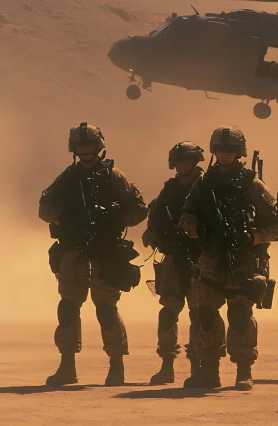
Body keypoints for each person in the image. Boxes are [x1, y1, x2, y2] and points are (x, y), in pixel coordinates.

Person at [39, 122, 147, 386]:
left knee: (106, 310)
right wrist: (60, 216)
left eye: (89, 145)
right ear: (74, 148)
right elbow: (44, 207)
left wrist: (116, 218)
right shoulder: (67, 178)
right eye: (80, 146)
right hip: (73, 252)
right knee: (67, 308)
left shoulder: (114, 176)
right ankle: (67, 367)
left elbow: (139, 208)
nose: (85, 150)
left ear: (98, 146)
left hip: (105, 252)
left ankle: (116, 366)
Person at [179, 126, 278, 390]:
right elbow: (185, 215)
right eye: (221, 150)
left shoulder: (252, 184)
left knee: (239, 314)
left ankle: (243, 370)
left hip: (243, 259)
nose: (225, 154)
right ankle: (209, 370)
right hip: (211, 257)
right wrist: (198, 229)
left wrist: (253, 237)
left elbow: (277, 223)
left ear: (239, 152)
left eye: (230, 150)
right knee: (205, 314)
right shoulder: (203, 183)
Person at [142, 142, 205, 385]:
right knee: (168, 312)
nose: (183, 166)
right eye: (179, 162)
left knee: (199, 313)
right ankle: (167, 365)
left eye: (187, 161)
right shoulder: (169, 190)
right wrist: (155, 237)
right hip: (173, 259)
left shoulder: (207, 187)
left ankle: (198, 366)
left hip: (201, 258)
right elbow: (154, 218)